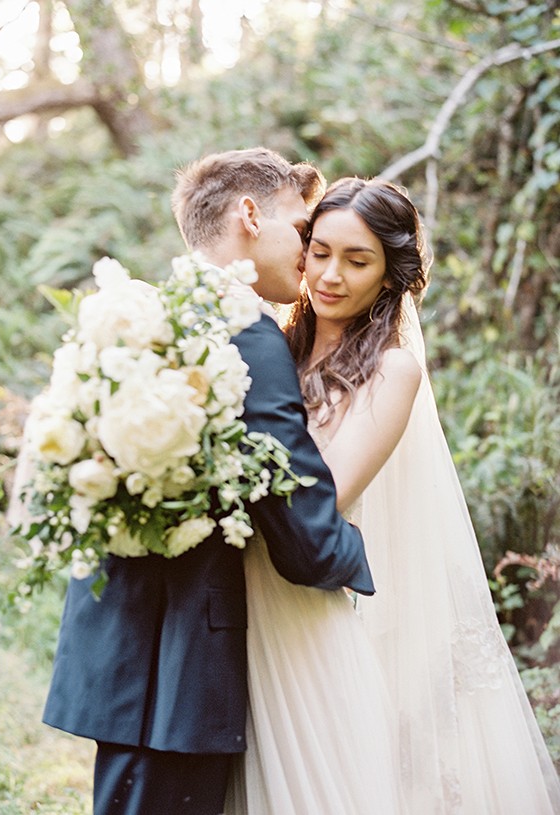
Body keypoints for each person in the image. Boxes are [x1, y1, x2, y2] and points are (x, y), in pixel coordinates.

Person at [41, 149, 379, 815]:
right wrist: (369, 559)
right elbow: (302, 530)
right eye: (303, 229)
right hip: (182, 668)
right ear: (250, 214)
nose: (310, 254)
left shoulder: (143, 320)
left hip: (121, 652)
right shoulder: (248, 337)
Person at [228, 176, 560, 813]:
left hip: (312, 600)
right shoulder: (269, 341)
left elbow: (330, 490)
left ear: (388, 277)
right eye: (319, 251)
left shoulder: (391, 368)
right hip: (242, 594)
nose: (330, 275)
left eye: (357, 262)